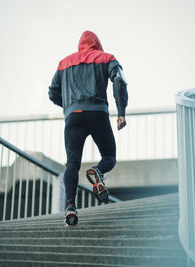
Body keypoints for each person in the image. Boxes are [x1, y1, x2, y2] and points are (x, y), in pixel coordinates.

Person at [48, 30, 128, 226]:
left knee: (72, 163)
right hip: (97, 113)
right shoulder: (106, 57)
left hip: (73, 117)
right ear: (97, 44)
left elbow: (52, 92)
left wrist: (69, 107)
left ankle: (70, 206)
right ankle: (97, 172)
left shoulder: (64, 63)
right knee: (109, 157)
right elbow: (119, 80)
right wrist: (121, 112)